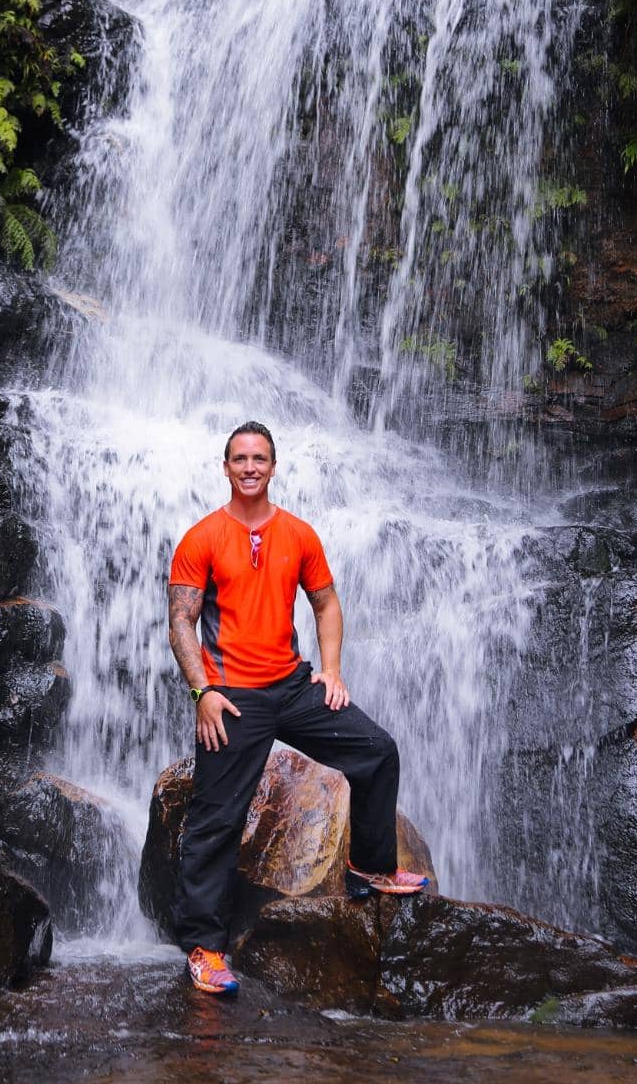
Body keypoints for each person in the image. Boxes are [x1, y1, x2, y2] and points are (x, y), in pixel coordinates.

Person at [168, 420, 428, 995]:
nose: (250, 467)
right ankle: (205, 949)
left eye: (260, 457)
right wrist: (202, 692)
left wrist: (331, 670)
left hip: (292, 685)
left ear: (274, 465)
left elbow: (326, 603)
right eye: (240, 458)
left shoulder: (300, 534)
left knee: (376, 750)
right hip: (233, 696)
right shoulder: (201, 537)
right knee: (215, 821)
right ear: (226, 466)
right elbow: (181, 621)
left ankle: (369, 866)